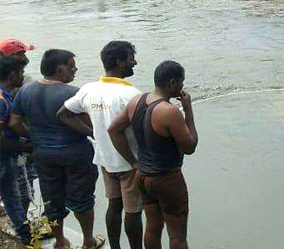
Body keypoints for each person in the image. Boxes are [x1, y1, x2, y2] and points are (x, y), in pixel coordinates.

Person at [9, 50, 105, 249]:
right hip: (75, 153)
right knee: (83, 199)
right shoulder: (74, 93)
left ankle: (60, 242)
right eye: (71, 66)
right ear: (59, 69)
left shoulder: (26, 90)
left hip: (43, 154)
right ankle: (88, 241)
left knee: (52, 199)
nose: (75, 69)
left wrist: (32, 136)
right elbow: (89, 124)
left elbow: (15, 122)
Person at [57, 41, 142, 249]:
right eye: (131, 59)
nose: (134, 63)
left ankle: (114, 247)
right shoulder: (131, 95)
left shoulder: (89, 89)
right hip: (130, 163)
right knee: (133, 211)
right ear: (120, 62)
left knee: (114, 205)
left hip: (105, 160)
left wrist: (93, 134)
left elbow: (64, 114)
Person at [109, 61, 198, 249]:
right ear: (172, 83)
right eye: (181, 82)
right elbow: (190, 147)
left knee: (153, 228)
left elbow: (113, 130)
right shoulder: (169, 111)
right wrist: (188, 110)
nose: (182, 87)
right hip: (167, 178)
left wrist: (133, 162)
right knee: (177, 235)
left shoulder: (136, 101)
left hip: (143, 176)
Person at [0, 56, 31, 245]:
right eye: (21, 72)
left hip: (8, 156)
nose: (23, 76)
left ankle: (24, 232)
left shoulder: (8, 95)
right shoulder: (2, 99)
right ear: (12, 74)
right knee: (12, 195)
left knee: (12, 196)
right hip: (3, 157)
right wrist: (23, 146)